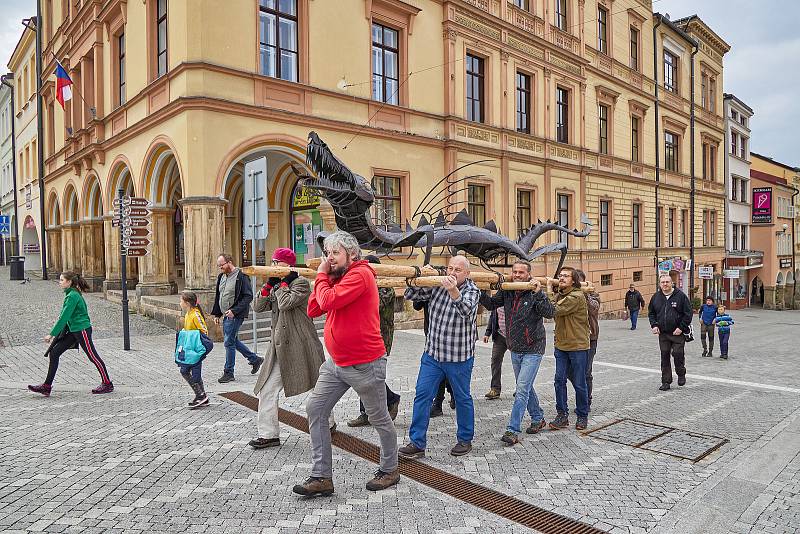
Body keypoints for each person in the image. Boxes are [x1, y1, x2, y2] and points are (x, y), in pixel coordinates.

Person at [293, 231, 399, 497]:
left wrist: (320, 274)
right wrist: (327, 276)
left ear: (352, 254)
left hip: (365, 363)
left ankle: (390, 469)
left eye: (334, 254)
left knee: (379, 418)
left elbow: (327, 300)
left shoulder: (360, 275)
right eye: (327, 254)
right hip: (337, 364)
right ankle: (321, 477)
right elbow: (314, 309)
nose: (329, 259)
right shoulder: (338, 278)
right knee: (315, 409)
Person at [400, 255, 481, 459]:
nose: (452, 273)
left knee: (462, 398)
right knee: (422, 395)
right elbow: (411, 295)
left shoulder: (473, 290)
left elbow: (466, 311)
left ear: (467, 273)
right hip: (433, 354)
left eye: (458, 270)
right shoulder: (436, 284)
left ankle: (465, 439)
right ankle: (417, 442)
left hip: (459, 357)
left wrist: (453, 290)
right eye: (450, 268)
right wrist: (419, 276)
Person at [249, 248, 327, 449]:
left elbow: (285, 304)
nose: (274, 266)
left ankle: (329, 423)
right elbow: (257, 307)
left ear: (288, 265)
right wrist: (268, 285)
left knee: (317, 388)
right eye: (273, 262)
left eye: (278, 263)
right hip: (279, 348)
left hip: (302, 345)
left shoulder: (300, 283)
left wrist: (283, 283)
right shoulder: (275, 284)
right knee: (267, 389)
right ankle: (269, 434)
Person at [479, 261, 555, 445]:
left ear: (529, 274)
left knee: (521, 389)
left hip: (533, 348)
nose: (517, 275)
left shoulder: (533, 291)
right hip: (515, 348)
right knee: (525, 386)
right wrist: (481, 290)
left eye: (521, 272)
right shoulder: (507, 290)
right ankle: (538, 418)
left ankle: (512, 430)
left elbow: (550, 313)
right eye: (515, 272)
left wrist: (540, 294)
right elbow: (491, 305)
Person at [28, 271, 114, 396]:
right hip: (74, 330)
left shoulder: (72, 296)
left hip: (82, 329)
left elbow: (64, 317)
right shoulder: (71, 294)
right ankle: (46, 386)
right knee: (55, 352)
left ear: (69, 282)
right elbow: (66, 318)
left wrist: (51, 334)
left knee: (92, 356)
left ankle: (107, 383)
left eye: (62, 280)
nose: (60, 282)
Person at [347, 255, 402, 427]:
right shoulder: (364, 283)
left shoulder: (385, 288)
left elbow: (374, 304)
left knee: (370, 376)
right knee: (363, 375)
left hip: (380, 337)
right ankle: (366, 412)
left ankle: (391, 399)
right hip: (363, 336)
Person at [547, 267, 590, 431]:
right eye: (561, 275)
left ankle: (582, 415)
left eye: (566, 276)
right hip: (561, 346)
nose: (562, 278)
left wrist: (549, 289)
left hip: (578, 346)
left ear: (574, 280)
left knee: (579, 383)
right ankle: (562, 415)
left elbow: (553, 310)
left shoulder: (576, 296)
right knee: (559, 380)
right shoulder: (562, 295)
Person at [211, 253, 264, 383]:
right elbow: (219, 295)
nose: (220, 268)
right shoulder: (221, 277)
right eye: (219, 266)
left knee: (228, 342)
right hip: (225, 314)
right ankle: (254, 359)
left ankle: (229, 372)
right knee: (232, 340)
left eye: (222, 265)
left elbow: (248, 296)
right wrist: (217, 314)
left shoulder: (241, 276)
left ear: (229, 262)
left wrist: (234, 311)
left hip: (235, 315)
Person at [648, 274, 693, 391]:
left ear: (672, 283)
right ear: (659, 284)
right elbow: (651, 313)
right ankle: (666, 381)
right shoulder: (656, 297)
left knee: (678, 354)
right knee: (664, 356)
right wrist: (654, 325)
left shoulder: (680, 296)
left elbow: (688, 314)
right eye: (662, 282)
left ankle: (681, 372)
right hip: (663, 333)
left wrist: (681, 327)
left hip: (677, 332)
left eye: (667, 282)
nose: (665, 284)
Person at [414, 300, 454, 417]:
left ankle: (452, 395)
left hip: (451, 335)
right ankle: (438, 403)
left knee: (449, 369)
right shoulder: (428, 288)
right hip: (431, 334)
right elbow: (416, 306)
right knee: (438, 369)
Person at [176, 291, 211, 408]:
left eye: (181, 300)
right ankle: (202, 395)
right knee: (186, 371)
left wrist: (198, 346)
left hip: (196, 350)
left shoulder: (195, 314)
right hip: (190, 349)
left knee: (188, 371)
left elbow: (204, 331)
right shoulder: (188, 314)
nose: (180, 303)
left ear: (187, 302)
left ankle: (201, 396)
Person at [575, 269, 600, 407]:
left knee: (586, 371)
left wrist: (584, 294)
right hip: (573, 338)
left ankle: (586, 400)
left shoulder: (593, 294)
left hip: (590, 338)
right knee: (570, 372)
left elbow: (594, 308)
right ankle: (582, 394)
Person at [482, 306, 507, 400]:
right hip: (500, 335)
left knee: (518, 362)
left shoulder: (514, 295)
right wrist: (487, 333)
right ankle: (495, 389)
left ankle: (520, 389)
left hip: (514, 336)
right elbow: (493, 316)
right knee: (495, 360)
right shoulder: (498, 299)